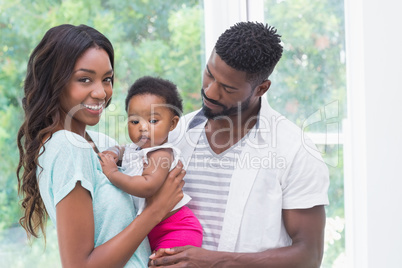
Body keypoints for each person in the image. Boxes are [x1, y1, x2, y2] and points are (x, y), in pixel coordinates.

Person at [149, 21, 330, 267]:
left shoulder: (294, 150)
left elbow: (308, 256)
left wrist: (216, 262)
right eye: (209, 74)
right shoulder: (173, 135)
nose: (211, 92)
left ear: (261, 88)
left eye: (227, 88)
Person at [16, 24, 185, 267]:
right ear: (55, 82)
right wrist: (155, 211)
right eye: (84, 79)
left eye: (106, 79)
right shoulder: (66, 146)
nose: (101, 92)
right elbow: (79, 265)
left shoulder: (103, 143)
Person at [99, 76, 203, 252]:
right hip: (149, 229)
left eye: (153, 121)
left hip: (175, 229)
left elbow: (147, 186)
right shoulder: (136, 149)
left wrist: (112, 173)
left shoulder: (161, 154)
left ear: (173, 123)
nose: (143, 127)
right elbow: (122, 149)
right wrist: (113, 152)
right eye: (135, 121)